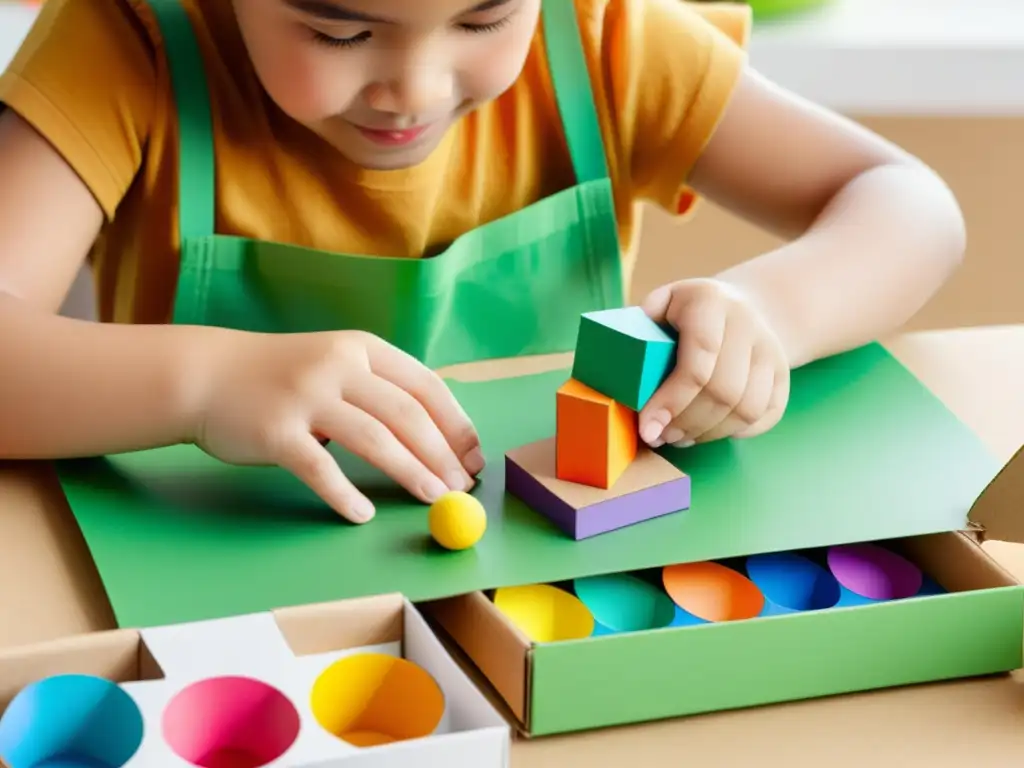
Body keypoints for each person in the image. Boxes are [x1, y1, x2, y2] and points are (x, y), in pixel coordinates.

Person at [0, 0, 965, 524]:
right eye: (338, 29)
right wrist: (208, 382)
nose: (412, 90)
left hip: (544, 575)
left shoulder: (605, 35)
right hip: (212, 568)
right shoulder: (127, 39)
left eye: (485, 19)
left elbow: (910, 205)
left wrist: (774, 314)